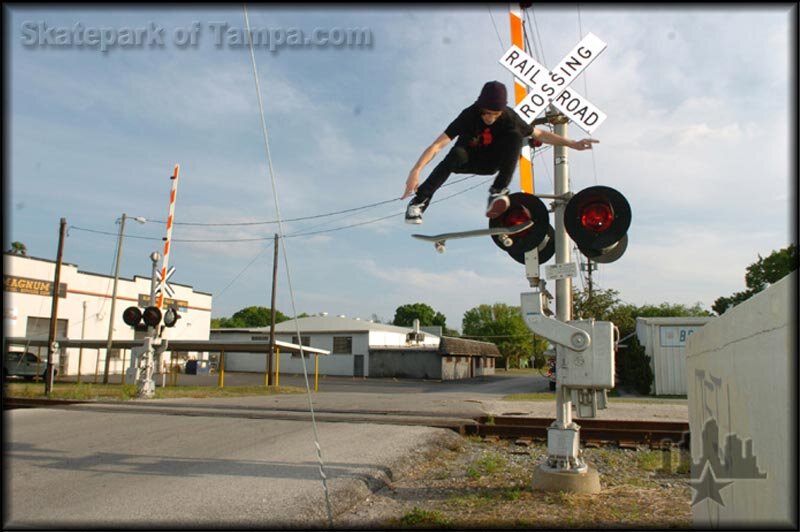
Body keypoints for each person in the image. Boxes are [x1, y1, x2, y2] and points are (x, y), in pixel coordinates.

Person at [402, 80, 598, 224]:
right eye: (486, 113)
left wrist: (573, 143)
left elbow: (541, 134)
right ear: (480, 107)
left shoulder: (510, 117)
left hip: (491, 163)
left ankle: (497, 192)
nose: (490, 118)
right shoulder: (468, 115)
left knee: (515, 136)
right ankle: (418, 203)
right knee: (456, 154)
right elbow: (438, 145)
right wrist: (416, 171)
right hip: (467, 159)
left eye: (495, 114)